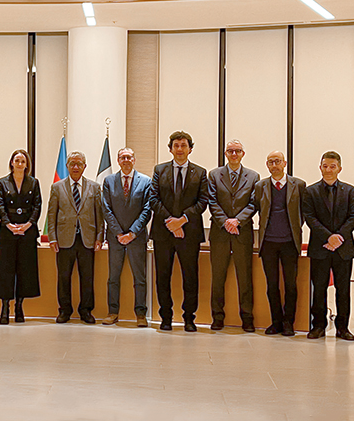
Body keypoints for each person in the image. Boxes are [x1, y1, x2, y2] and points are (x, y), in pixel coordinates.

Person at [151, 131, 209, 332]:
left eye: (184, 145)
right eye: (176, 145)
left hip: (189, 233)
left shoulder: (201, 173)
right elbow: (154, 199)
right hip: (163, 233)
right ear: (170, 149)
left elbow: (203, 201)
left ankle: (189, 318)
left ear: (190, 149)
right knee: (163, 276)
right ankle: (165, 317)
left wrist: (182, 220)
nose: (180, 149)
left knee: (190, 277)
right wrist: (170, 222)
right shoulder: (159, 170)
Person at [301, 151, 354, 341]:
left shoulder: (350, 191)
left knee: (343, 290)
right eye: (325, 166)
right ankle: (318, 325)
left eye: (332, 166)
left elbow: (353, 217)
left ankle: (343, 327)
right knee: (319, 288)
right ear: (320, 167)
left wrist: (338, 238)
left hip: (344, 249)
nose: (328, 170)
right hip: (320, 247)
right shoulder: (310, 191)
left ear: (339, 169)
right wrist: (328, 237)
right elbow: (310, 217)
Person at [46, 151, 105, 324]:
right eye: (72, 163)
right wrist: (52, 237)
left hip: (87, 239)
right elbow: (52, 214)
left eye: (79, 164)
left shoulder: (94, 187)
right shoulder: (57, 187)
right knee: (64, 277)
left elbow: (99, 215)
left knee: (87, 277)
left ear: (85, 166)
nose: (76, 167)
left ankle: (86, 310)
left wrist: (99, 237)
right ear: (67, 166)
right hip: (64, 240)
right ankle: (64, 310)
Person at [206, 139, 259, 332]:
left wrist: (237, 220)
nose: (234, 154)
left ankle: (247, 317)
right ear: (225, 154)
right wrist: (226, 221)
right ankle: (217, 317)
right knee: (218, 277)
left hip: (242, 233)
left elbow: (253, 203)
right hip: (220, 233)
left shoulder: (253, 176)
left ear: (243, 154)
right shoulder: (214, 175)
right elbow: (212, 201)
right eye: (230, 151)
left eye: (237, 151)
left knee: (244, 278)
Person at [252, 151, 305, 337]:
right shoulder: (260, 186)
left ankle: (288, 322)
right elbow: (258, 208)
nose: (274, 165)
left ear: (285, 163)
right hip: (268, 243)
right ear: (267, 165)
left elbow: (303, 212)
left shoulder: (298, 184)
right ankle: (276, 322)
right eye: (270, 162)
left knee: (290, 285)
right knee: (272, 284)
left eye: (277, 161)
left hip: (290, 242)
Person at [100, 147, 153, 327]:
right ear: (117, 160)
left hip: (136, 238)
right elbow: (106, 209)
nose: (126, 160)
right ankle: (113, 312)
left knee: (140, 277)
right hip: (115, 238)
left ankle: (140, 314)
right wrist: (118, 233)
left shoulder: (146, 181)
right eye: (123, 157)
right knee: (113, 277)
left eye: (129, 157)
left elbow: (147, 210)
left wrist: (132, 233)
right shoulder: (109, 181)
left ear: (134, 160)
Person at [0, 149, 41, 324]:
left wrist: (28, 225)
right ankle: (5, 308)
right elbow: (0, 206)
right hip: (8, 231)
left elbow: (37, 206)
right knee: (6, 270)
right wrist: (9, 225)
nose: (20, 163)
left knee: (24, 270)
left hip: (27, 232)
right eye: (17, 160)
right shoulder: (3, 182)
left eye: (23, 161)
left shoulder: (34, 183)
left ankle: (19, 307)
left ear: (27, 164)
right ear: (12, 163)